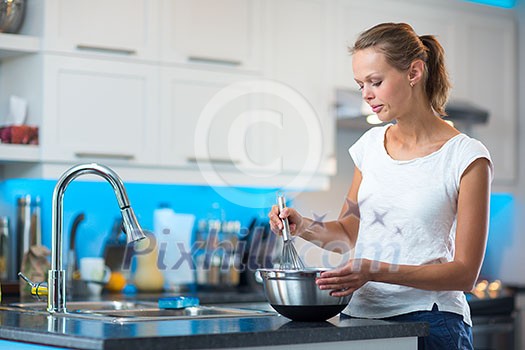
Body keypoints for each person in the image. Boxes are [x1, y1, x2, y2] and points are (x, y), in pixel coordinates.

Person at [268, 22, 492, 350]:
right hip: (360, 319)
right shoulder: (370, 146)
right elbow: (347, 232)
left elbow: (464, 274)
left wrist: (374, 270)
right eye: (360, 85)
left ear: (414, 72)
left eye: (376, 82)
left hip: (431, 322)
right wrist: (302, 226)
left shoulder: (466, 156)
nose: (366, 95)